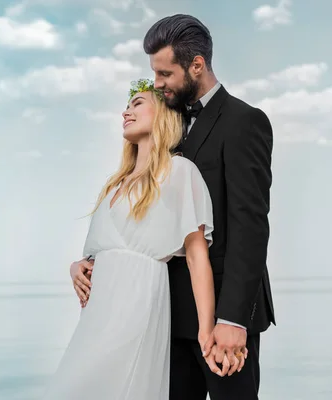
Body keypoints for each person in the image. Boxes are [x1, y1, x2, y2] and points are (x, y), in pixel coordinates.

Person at [70, 14, 276, 400]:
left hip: (221, 317)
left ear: (196, 65)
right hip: (162, 312)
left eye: (165, 73)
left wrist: (231, 320)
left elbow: (250, 227)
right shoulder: (167, 125)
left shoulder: (244, 122)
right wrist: (89, 262)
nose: (158, 83)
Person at [42, 78, 216, 399]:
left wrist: (206, 330)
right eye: (126, 106)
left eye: (137, 104)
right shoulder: (114, 184)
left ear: (163, 114)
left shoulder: (178, 171)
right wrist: (77, 267)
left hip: (138, 301)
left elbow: (196, 256)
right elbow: (104, 249)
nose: (126, 112)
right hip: (97, 313)